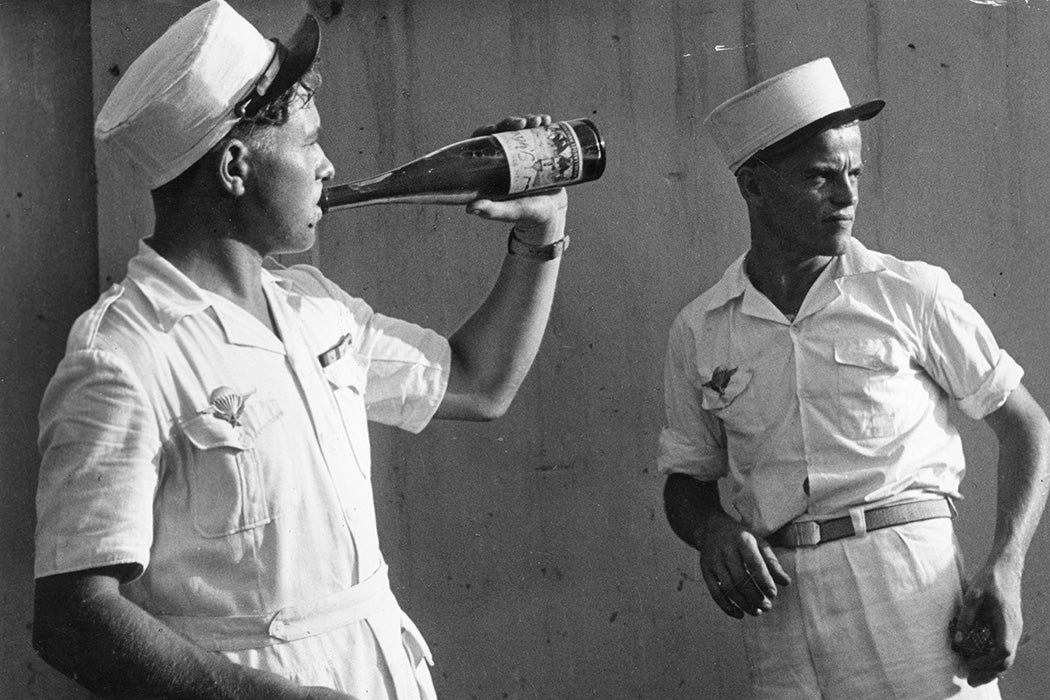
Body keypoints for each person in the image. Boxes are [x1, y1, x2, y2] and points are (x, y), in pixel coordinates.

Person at [32, 2, 571, 698]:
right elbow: (73, 618)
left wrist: (542, 233)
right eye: (308, 141)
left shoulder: (313, 307)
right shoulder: (124, 355)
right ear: (235, 166)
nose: (329, 165)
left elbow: (477, 382)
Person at [658, 56, 1050, 698]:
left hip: (908, 592)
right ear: (753, 187)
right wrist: (712, 530)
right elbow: (686, 478)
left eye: (854, 173)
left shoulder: (909, 293)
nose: (847, 196)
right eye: (820, 176)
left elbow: (1025, 423)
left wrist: (1005, 568)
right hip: (779, 607)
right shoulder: (701, 329)